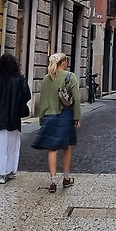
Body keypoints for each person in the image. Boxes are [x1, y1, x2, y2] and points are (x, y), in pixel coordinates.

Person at [31, 52, 81, 192]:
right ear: (63, 62)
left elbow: (43, 99)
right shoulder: (70, 76)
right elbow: (76, 99)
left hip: (49, 116)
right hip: (66, 116)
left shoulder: (46, 78)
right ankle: (66, 178)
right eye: (67, 61)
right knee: (67, 146)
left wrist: (42, 118)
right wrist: (77, 117)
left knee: (52, 148)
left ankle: (53, 181)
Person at [0, 53, 30, 184]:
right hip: (14, 118)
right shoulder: (20, 80)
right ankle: (10, 170)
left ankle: (1, 173)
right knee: (12, 146)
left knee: (0, 146)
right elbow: (27, 96)